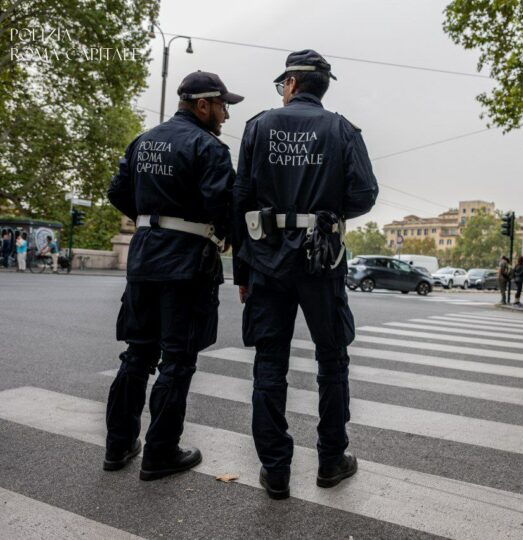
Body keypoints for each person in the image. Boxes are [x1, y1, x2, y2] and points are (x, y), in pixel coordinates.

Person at [232, 50, 378, 500]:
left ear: (292, 83)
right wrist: (326, 211)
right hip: (322, 258)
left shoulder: (258, 127)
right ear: (322, 86)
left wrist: (241, 269)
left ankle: (276, 469)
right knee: (331, 360)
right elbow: (365, 193)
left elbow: (240, 198)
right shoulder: (342, 129)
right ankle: (331, 461)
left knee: (269, 363)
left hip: (266, 259)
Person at [104, 71, 243, 480]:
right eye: (223, 106)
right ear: (203, 105)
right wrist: (226, 238)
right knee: (177, 360)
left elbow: (116, 191)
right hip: (187, 264)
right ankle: (160, 452)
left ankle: (118, 445)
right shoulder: (209, 147)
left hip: (145, 257)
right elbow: (222, 205)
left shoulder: (143, 140)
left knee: (137, 354)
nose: (225, 115)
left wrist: (150, 220)